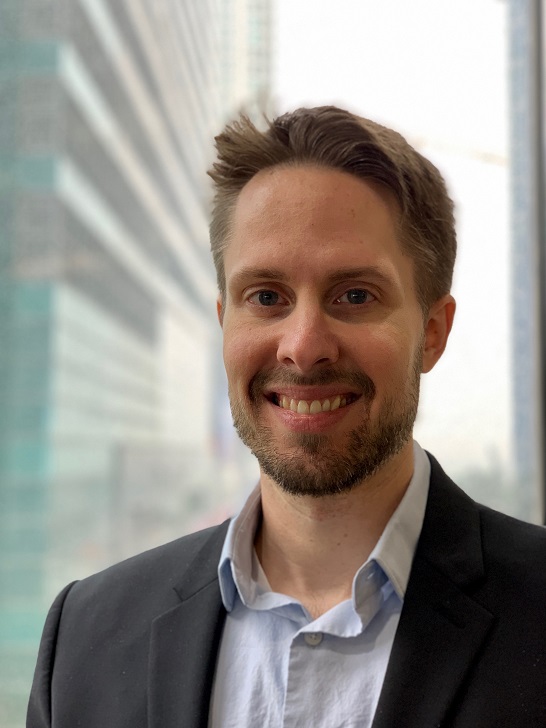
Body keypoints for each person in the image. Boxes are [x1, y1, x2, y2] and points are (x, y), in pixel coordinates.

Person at [27, 106, 546, 728]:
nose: (303, 346)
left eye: (355, 295)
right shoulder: (84, 638)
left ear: (432, 332)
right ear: (225, 322)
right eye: (267, 297)